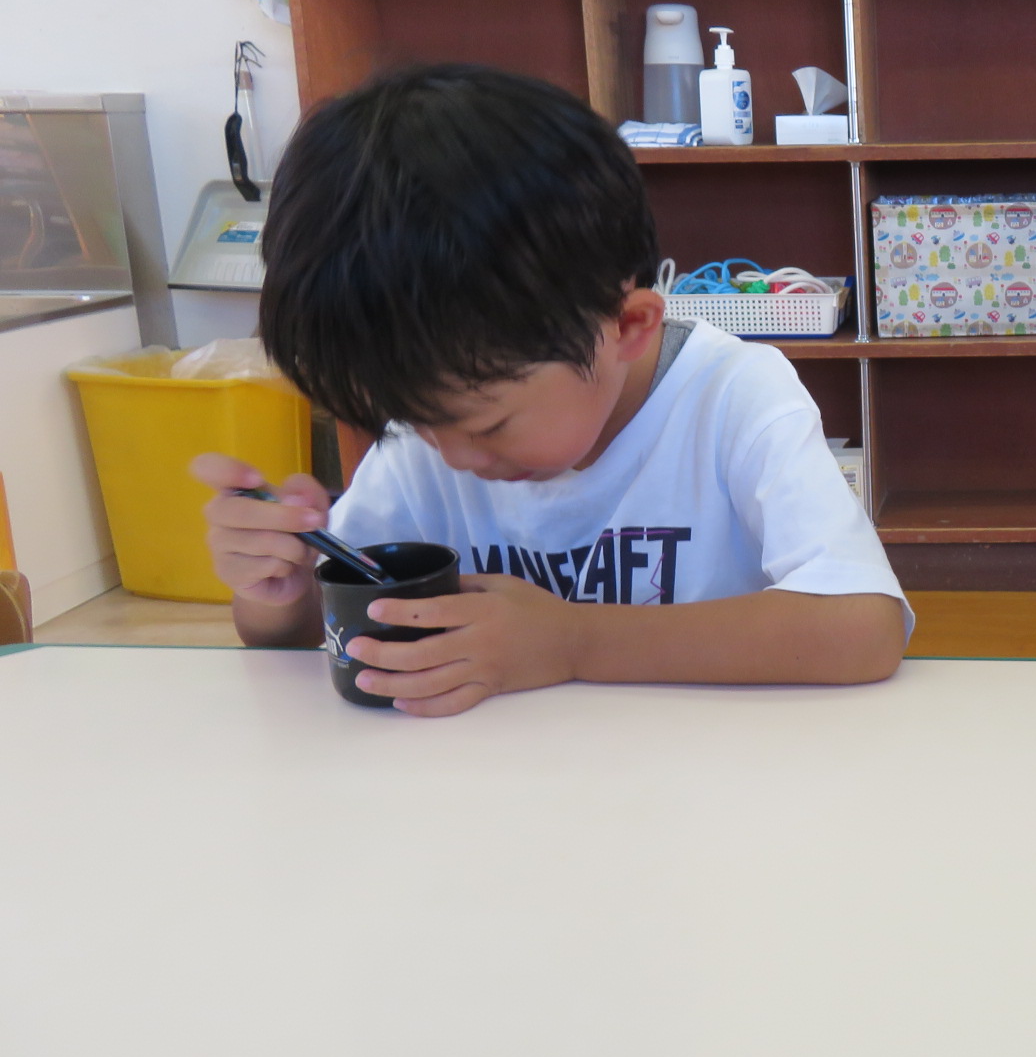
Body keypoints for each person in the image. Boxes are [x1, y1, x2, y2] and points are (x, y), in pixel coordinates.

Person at [194, 64, 908, 715]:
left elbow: (863, 627)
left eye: (490, 426)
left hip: (708, 778)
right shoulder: (431, 425)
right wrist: (278, 594)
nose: (452, 456)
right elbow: (321, 634)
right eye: (412, 420)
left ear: (627, 326)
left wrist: (571, 642)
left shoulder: (734, 396)